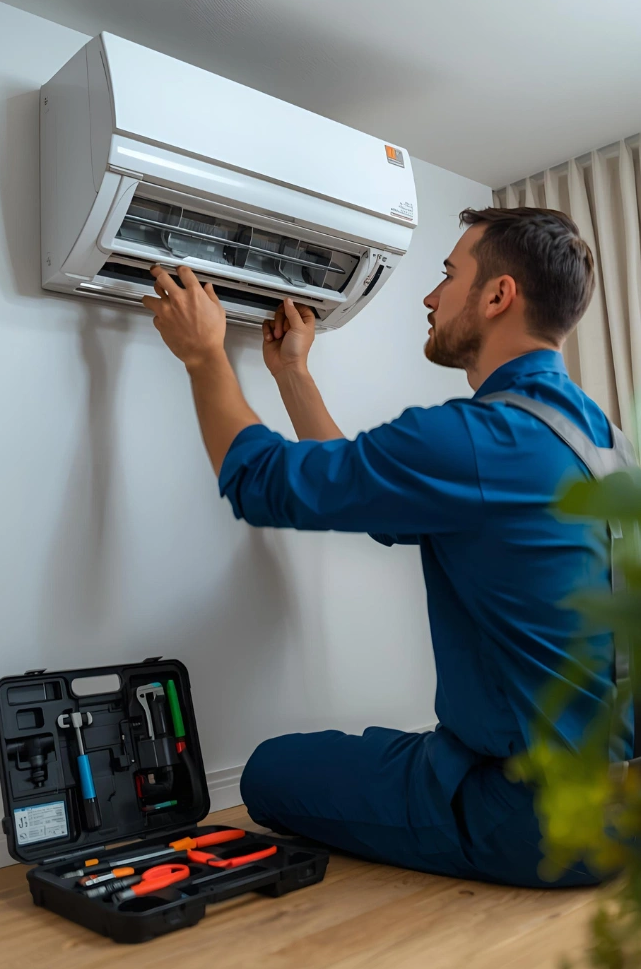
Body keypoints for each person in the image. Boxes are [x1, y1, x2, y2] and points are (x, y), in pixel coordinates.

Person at [143, 206, 633, 888]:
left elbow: (259, 482)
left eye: (447, 275)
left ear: (498, 296)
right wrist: (293, 376)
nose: (431, 298)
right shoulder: (604, 443)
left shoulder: (476, 439)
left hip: (529, 818)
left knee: (269, 771)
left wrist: (203, 356)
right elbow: (374, 505)